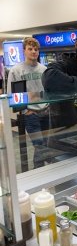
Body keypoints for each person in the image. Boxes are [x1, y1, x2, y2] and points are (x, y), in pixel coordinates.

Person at [7, 37, 49, 169]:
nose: (33, 51)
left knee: (46, 144)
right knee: (39, 144)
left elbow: (48, 90)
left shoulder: (44, 69)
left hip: (46, 111)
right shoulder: (16, 70)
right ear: (24, 51)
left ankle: (43, 170)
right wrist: (25, 110)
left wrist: (49, 106)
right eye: (30, 49)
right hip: (31, 114)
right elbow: (12, 95)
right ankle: (39, 171)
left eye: (36, 49)